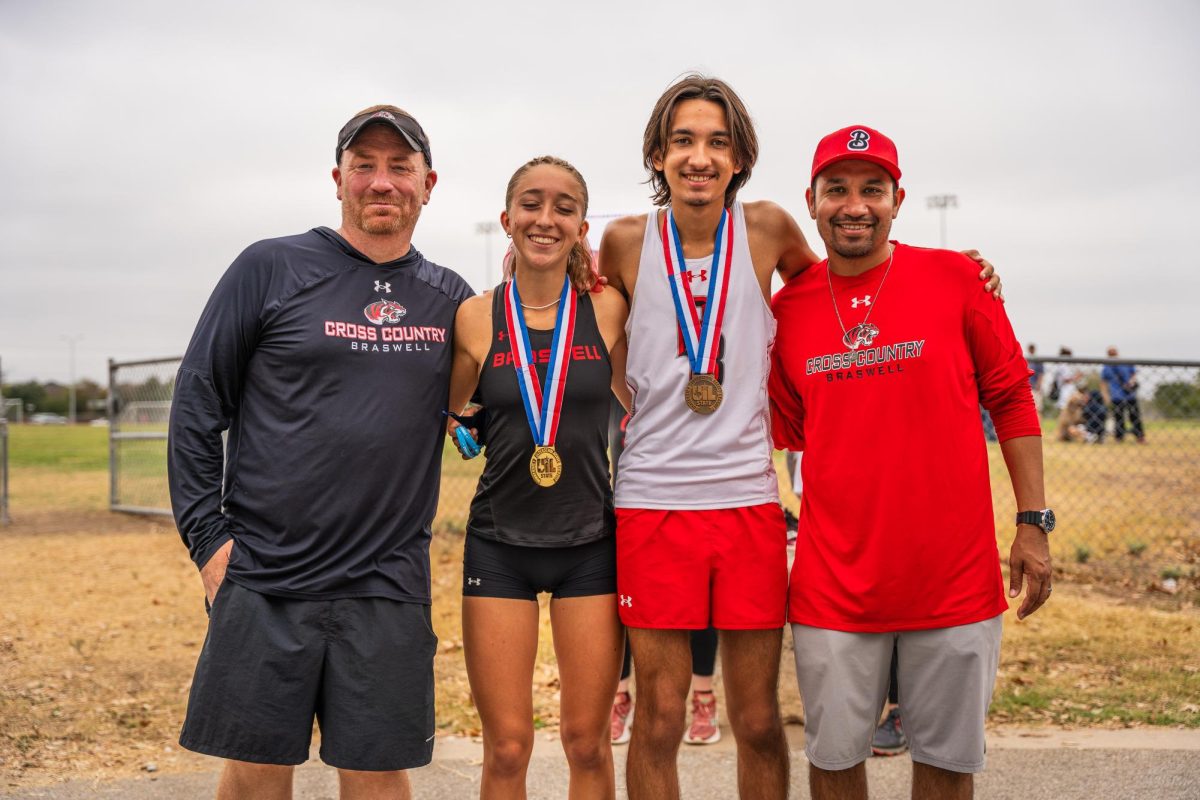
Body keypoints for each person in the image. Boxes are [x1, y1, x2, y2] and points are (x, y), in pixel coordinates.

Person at [598, 76, 1003, 800]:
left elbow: (844, 294)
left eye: (718, 142)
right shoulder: (625, 240)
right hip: (652, 502)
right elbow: (591, 329)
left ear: (740, 156)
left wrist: (947, 274)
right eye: (684, 140)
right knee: (658, 718)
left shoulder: (770, 228)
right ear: (658, 153)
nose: (700, 156)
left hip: (750, 503)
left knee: (757, 722)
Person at [167, 105, 473, 800]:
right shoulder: (270, 267)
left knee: (376, 775)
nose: (382, 181)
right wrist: (208, 541)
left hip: (386, 583)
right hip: (268, 576)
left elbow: (488, 403)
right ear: (338, 179)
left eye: (401, 166)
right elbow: (196, 402)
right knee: (255, 772)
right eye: (364, 165)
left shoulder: (451, 298)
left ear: (430, 184)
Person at [769, 124, 1053, 800]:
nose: (855, 204)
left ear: (899, 199)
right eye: (837, 189)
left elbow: (1012, 398)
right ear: (811, 202)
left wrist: (1033, 522)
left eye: (873, 188)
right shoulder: (789, 311)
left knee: (948, 761)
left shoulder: (956, 278)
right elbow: (783, 431)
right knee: (834, 759)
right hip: (834, 581)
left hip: (953, 577)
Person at [446, 155, 632, 799]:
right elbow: (445, 412)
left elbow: (652, 394)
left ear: (582, 225)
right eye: (531, 204)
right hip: (500, 545)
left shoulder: (609, 309)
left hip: (590, 544)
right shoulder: (474, 317)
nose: (545, 218)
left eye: (563, 207)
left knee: (587, 743)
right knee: (506, 749)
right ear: (507, 219)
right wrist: (464, 424)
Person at [1102, 346, 1146, 443]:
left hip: (1129, 394)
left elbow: (1133, 374)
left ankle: (1139, 436)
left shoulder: (1125, 362)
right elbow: (1104, 383)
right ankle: (1119, 437)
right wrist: (1106, 396)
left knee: (1134, 415)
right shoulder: (1107, 366)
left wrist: (1131, 382)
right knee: (1119, 417)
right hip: (1116, 395)